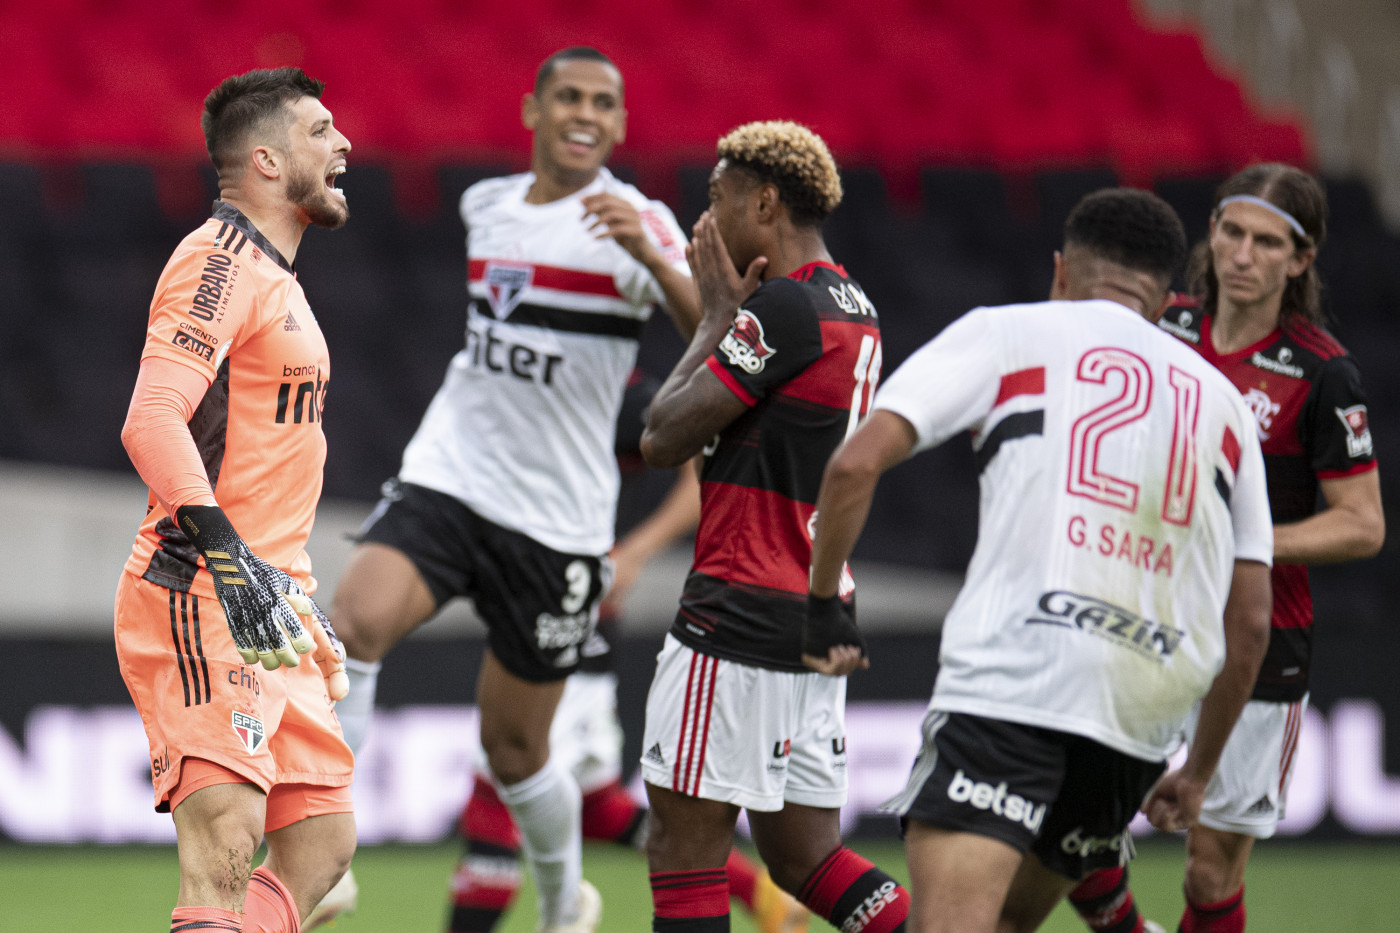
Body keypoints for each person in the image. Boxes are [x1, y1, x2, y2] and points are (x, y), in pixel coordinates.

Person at [803, 188, 1276, 933]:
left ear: (1061, 271)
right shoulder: (1226, 407)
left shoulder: (1008, 333)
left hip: (1014, 684)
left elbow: (853, 467)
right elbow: (1250, 621)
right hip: (1140, 714)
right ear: (1165, 302)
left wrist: (824, 600)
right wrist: (1199, 772)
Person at [318, 46, 701, 933]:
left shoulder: (638, 221)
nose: (585, 112)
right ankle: (325, 856)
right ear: (532, 111)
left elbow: (712, 336)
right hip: (452, 475)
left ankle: (567, 902)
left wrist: (649, 252)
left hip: (557, 521)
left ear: (619, 124)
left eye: (603, 102)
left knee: (517, 749)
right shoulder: (484, 206)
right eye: (567, 96)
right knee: (354, 623)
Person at [1069, 166, 1385, 933]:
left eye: (1268, 241)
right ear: (1211, 231)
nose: (1243, 254)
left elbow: (1362, 523)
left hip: (1257, 643)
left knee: (1211, 873)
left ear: (1300, 260)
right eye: (1232, 231)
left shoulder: (1320, 371)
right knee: (1070, 825)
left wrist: (1242, 540)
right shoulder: (1162, 328)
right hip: (1139, 614)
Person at [638, 120, 912, 933]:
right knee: (805, 858)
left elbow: (660, 439)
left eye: (717, 197)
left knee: (682, 851)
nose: (707, 218)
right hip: (812, 608)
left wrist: (713, 317)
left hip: (737, 614)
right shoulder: (853, 303)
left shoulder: (784, 307)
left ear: (764, 200)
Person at [114, 67, 356, 933]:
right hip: (203, 587)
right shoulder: (217, 260)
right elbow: (151, 420)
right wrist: (231, 556)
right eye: (321, 130)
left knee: (325, 843)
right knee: (227, 841)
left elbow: (271, 459)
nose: (344, 145)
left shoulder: (278, 279)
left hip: (271, 596)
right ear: (265, 158)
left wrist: (290, 580)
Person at [442, 378, 809, 933]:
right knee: (594, 807)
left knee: (498, 791)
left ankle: (562, 915)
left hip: (567, 620)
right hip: (568, 620)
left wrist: (633, 553)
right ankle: (763, 895)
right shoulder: (536, 383)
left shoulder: (615, 393)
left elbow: (698, 472)